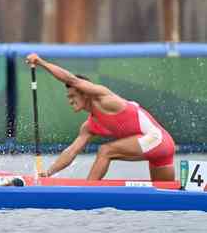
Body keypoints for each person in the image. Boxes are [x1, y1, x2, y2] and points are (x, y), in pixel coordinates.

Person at [26, 53, 175, 181]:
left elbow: (71, 80)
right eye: (68, 97)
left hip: (158, 139)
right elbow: (71, 151)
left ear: (85, 92)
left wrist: (40, 62)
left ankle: (87, 193)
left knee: (105, 150)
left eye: (73, 96)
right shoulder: (89, 127)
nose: (69, 100)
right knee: (168, 197)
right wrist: (48, 173)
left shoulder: (104, 98)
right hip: (159, 151)